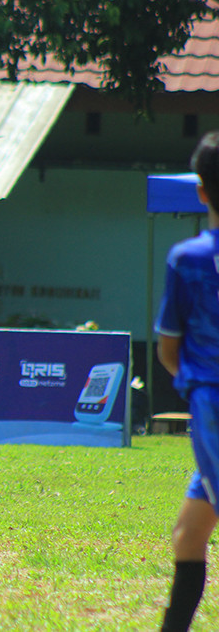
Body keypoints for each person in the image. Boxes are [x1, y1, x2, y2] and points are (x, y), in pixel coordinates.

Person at [156, 130, 219, 632]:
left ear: (201, 190)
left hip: (211, 400)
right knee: (188, 533)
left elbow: (168, 348)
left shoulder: (189, 258)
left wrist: (199, 384)